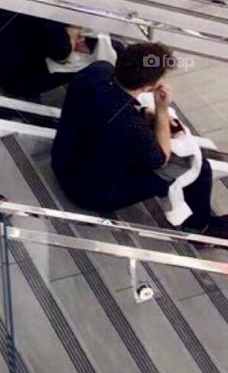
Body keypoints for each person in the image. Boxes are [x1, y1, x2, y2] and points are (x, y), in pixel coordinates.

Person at [52, 43, 228, 237]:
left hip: (62, 161)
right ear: (149, 86)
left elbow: (112, 106)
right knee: (194, 165)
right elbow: (161, 158)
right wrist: (162, 109)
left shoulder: (97, 71)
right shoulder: (130, 125)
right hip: (91, 193)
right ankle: (201, 229)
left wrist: (145, 113)